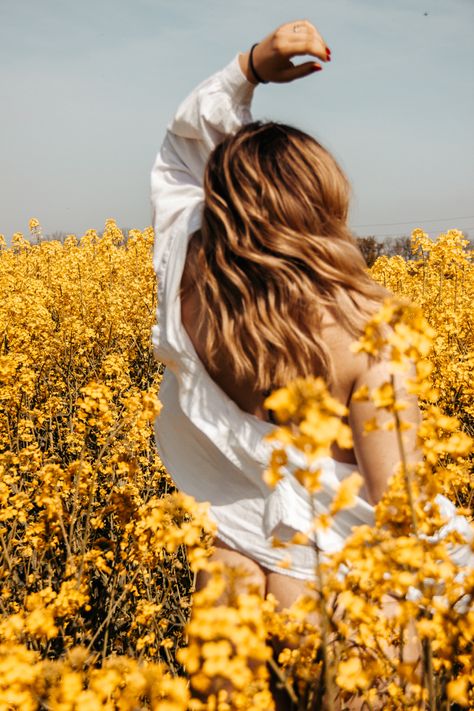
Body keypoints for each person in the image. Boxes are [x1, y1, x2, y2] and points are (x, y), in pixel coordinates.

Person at [150, 18, 472, 706]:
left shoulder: (182, 270)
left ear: (219, 205)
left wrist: (251, 66)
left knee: (227, 604)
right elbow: (399, 517)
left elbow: (178, 154)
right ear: (324, 211)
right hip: (336, 583)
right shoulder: (367, 333)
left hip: (233, 550)